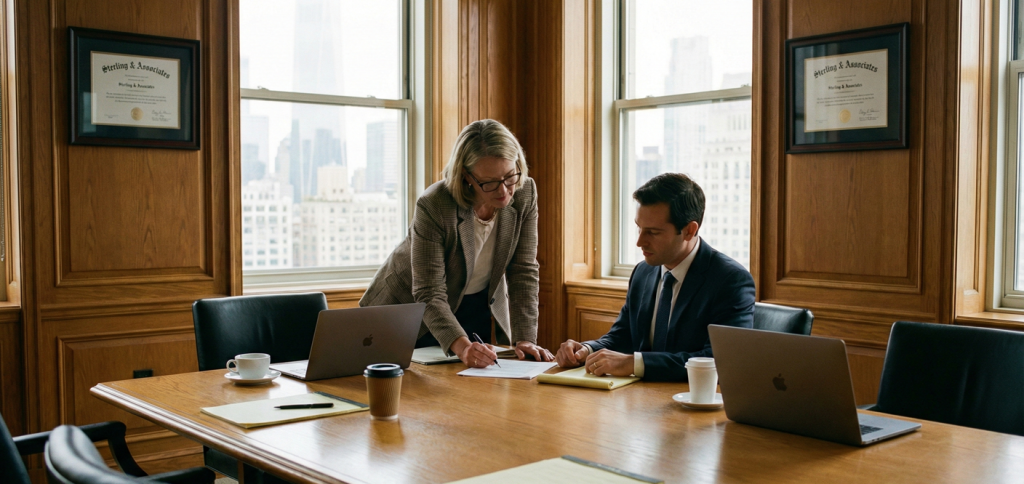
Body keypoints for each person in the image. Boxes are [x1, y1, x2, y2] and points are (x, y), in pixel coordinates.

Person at [360, 119, 553, 368]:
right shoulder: (435, 204)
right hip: (406, 312)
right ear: (467, 176)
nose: (504, 191)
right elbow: (428, 292)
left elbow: (523, 270)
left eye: (509, 176)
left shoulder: (525, 192)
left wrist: (524, 339)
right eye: (490, 182)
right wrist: (462, 348)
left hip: (473, 304)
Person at [555, 173, 754, 381]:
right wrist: (586, 350)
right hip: (636, 401)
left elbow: (719, 361)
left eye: (653, 232)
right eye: (639, 228)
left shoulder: (731, 280)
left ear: (689, 230)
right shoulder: (643, 272)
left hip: (691, 402)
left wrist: (635, 363)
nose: (640, 242)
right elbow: (622, 336)